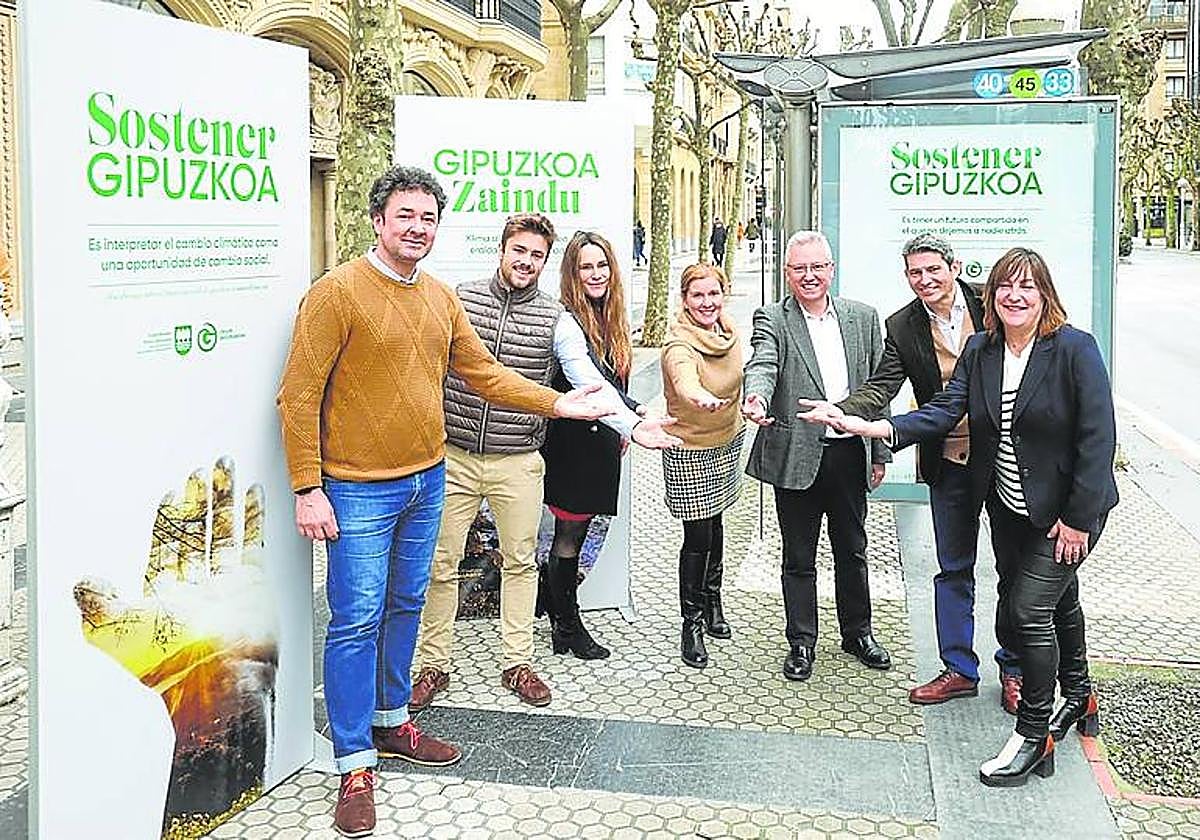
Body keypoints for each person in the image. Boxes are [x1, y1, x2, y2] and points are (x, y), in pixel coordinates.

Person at [276, 165, 612, 838]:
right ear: (377, 219)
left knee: (406, 603)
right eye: (405, 215)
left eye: (428, 218)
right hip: (356, 488)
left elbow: (484, 373)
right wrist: (308, 487)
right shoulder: (336, 292)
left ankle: (392, 720)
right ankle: (354, 763)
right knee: (355, 620)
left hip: (427, 479)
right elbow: (298, 395)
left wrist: (558, 404)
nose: (417, 228)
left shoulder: (436, 297)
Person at [802, 247, 1118, 787]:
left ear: (1045, 293)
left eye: (1026, 286)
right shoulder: (982, 349)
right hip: (1010, 505)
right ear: (991, 296)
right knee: (1060, 599)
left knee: (1027, 609)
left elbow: (1098, 438)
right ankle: (1079, 693)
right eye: (1005, 287)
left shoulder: (1073, 348)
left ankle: (1034, 733)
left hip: (1065, 511)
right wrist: (873, 428)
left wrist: (1078, 519)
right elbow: (945, 410)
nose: (1014, 296)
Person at [411, 213, 679, 711]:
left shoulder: (556, 318)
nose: (526, 262)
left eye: (536, 255)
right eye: (519, 251)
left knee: (520, 563)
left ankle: (517, 663)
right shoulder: (460, 298)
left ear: (545, 261)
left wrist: (631, 424)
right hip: (456, 456)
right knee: (441, 564)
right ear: (501, 250)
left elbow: (586, 378)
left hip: (518, 459)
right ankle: (433, 665)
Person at [796, 233, 1021, 711]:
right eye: (915, 273)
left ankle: (1016, 669)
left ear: (954, 267)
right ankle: (958, 669)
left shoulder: (993, 302)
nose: (925, 280)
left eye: (933, 269)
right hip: (949, 460)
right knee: (953, 568)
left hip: (1005, 458)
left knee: (1014, 568)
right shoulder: (902, 325)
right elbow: (881, 386)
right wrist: (842, 411)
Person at [741, 230, 892, 682]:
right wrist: (756, 398)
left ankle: (858, 633)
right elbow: (763, 363)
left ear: (831, 269)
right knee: (798, 556)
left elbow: (878, 389)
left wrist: (879, 451)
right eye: (799, 268)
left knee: (853, 549)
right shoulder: (773, 317)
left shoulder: (863, 318)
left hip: (849, 453)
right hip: (797, 455)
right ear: (787, 273)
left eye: (817, 267)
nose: (809, 276)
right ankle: (802, 641)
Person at [540, 230, 640, 660]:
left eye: (602, 265)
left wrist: (622, 427)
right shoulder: (568, 321)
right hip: (573, 444)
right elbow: (591, 382)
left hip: (603, 436)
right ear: (572, 274)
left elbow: (617, 381)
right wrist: (634, 420)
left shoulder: (611, 317)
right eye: (586, 267)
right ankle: (566, 627)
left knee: (576, 534)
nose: (596, 274)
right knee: (568, 535)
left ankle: (556, 610)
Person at [660, 263, 745, 668]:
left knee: (717, 523)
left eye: (713, 293)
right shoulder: (678, 343)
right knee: (697, 536)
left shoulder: (729, 333)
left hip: (727, 441)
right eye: (698, 295)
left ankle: (713, 602)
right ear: (685, 300)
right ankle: (690, 623)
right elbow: (683, 378)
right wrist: (696, 396)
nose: (707, 302)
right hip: (690, 448)